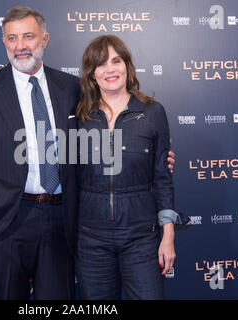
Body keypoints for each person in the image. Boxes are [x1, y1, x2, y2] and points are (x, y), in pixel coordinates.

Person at [0, 6, 175, 300]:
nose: (20, 45)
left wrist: (156, 155)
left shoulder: (72, 89)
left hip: (62, 220)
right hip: (6, 220)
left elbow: (112, 129)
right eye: (12, 38)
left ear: (44, 40)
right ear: (4, 42)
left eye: (28, 36)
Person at [74, 35, 181, 300]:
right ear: (92, 74)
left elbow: (162, 180)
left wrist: (168, 236)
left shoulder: (153, 112)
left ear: (127, 66)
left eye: (116, 61)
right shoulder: (78, 117)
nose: (110, 69)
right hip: (91, 240)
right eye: (101, 64)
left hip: (141, 238)